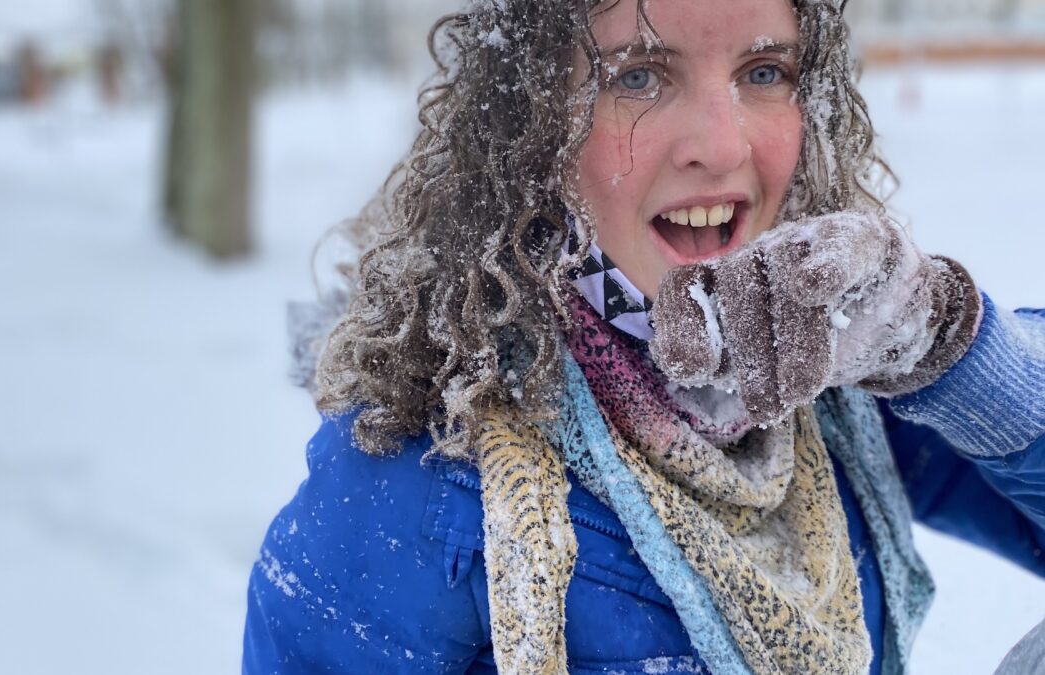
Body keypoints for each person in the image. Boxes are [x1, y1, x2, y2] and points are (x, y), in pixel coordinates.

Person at [242, 0, 1045, 673]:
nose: (723, 146)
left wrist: (945, 344)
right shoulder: (406, 488)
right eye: (638, 77)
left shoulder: (839, 380)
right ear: (530, 123)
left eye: (764, 72)